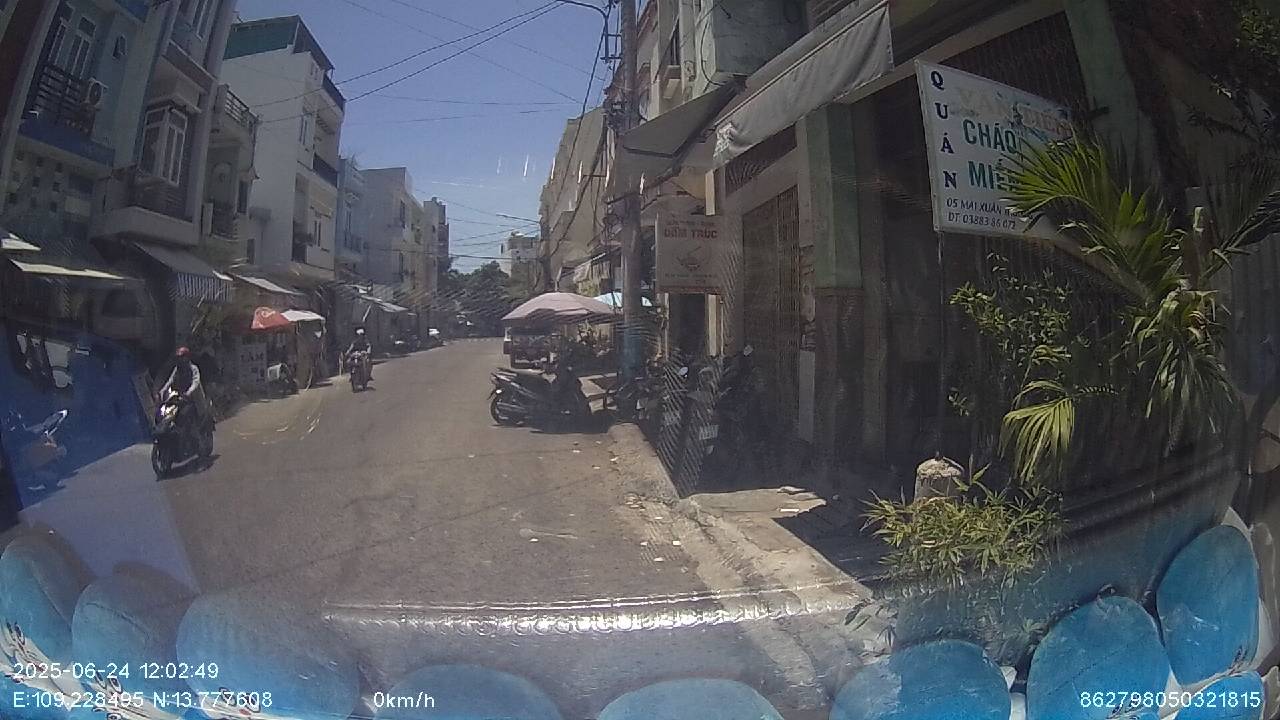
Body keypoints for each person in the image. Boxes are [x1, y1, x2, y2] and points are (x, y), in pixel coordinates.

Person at [160, 347, 213, 431]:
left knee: (196, 414)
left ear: (187, 357)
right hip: (182, 397)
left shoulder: (193, 368)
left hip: (194, 397)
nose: (179, 360)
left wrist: (189, 392)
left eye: (181, 357)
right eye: (178, 358)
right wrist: (163, 390)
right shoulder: (177, 369)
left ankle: (196, 430)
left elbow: (195, 382)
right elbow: (171, 380)